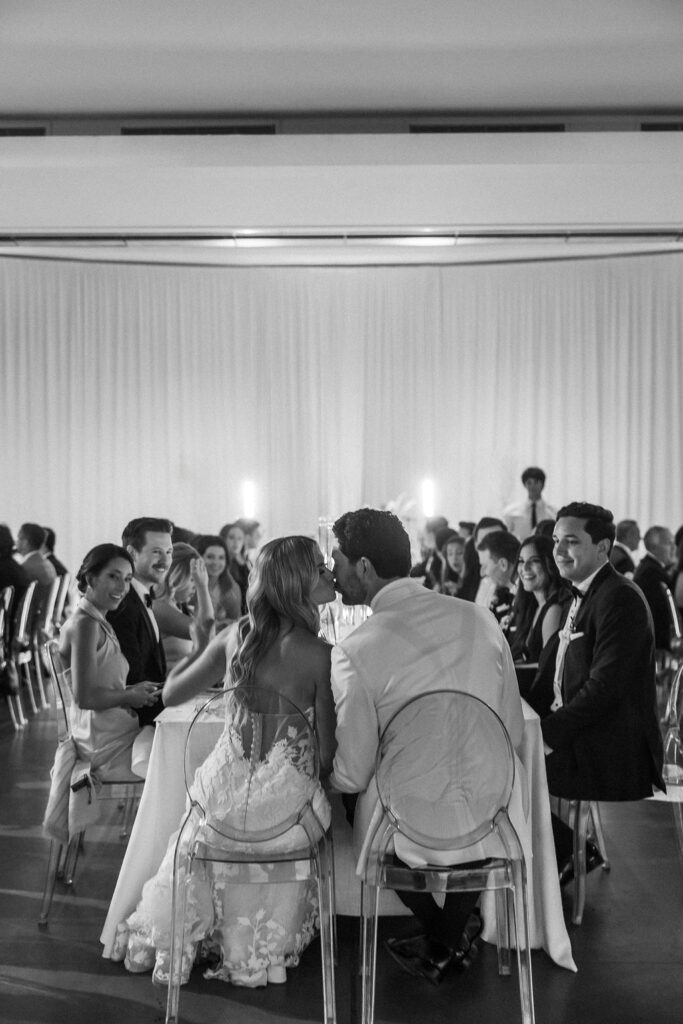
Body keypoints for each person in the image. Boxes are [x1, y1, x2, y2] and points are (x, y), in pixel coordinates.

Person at [111, 536, 337, 988]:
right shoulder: (321, 656)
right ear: (297, 583)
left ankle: (204, 930)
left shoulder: (236, 637)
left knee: (205, 816)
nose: (330, 572)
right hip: (282, 816)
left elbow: (170, 695)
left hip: (218, 803)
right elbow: (329, 756)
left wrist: (201, 643)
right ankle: (256, 939)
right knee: (323, 809)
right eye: (320, 567)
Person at [329, 508, 524, 986]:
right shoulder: (478, 618)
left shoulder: (355, 648)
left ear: (365, 568)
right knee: (459, 798)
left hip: (407, 824)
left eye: (336, 562)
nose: (332, 573)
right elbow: (512, 731)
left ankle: (443, 932)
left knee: (357, 796)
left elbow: (352, 772)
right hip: (493, 814)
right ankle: (452, 931)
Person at [542, 503, 664, 869]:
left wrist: (544, 735)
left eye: (571, 541)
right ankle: (551, 864)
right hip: (585, 732)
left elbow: (605, 689)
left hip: (610, 745)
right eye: (555, 541)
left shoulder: (619, 597)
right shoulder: (580, 592)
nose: (559, 551)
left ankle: (563, 857)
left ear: (603, 548)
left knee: (507, 772)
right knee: (502, 760)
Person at [57, 544, 159, 777]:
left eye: (127, 579)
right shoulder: (86, 625)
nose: (122, 587)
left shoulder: (98, 620)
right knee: (175, 758)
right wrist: (128, 695)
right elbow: (85, 697)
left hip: (110, 730)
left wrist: (133, 689)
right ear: (91, 578)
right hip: (102, 741)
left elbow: (99, 684)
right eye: (113, 577)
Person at [107, 517, 173, 728]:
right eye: (156, 552)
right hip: (133, 721)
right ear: (132, 553)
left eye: (169, 552)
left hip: (150, 708)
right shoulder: (123, 605)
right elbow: (132, 679)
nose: (165, 561)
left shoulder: (140, 597)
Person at [508, 534, 570, 665]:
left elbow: (549, 667)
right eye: (521, 561)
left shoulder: (553, 610)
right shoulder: (534, 605)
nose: (525, 568)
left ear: (550, 564)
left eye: (534, 561)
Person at [152, 542, 215, 670]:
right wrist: (202, 587)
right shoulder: (158, 607)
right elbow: (206, 633)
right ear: (176, 575)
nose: (195, 587)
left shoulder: (178, 606)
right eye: (193, 579)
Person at [633, 525, 676, 654]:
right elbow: (659, 614)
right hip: (656, 646)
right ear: (653, 547)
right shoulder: (652, 573)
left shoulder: (650, 568)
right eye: (669, 543)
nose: (674, 548)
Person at [193, 534, 242, 629]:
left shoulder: (231, 588)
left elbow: (236, 624)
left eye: (221, 558)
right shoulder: (189, 585)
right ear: (199, 558)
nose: (216, 562)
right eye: (210, 557)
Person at [475, 529, 520, 627]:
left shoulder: (526, 598)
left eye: (485, 566)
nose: (482, 573)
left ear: (503, 564)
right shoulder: (503, 595)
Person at [502, 467, 557, 540]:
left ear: (543, 484)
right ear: (524, 485)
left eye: (536, 482)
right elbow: (505, 536)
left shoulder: (553, 513)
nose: (532, 486)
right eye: (529, 482)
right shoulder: (511, 512)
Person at [219, 521, 250, 614]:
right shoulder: (219, 564)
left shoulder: (246, 563)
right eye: (231, 538)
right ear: (223, 539)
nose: (236, 542)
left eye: (240, 538)